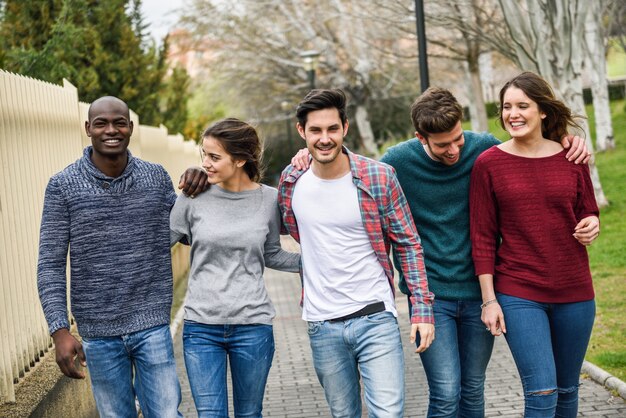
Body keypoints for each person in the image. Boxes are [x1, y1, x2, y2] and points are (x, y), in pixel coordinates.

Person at [291, 87, 591, 417]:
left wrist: (566, 141)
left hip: (479, 291)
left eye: (457, 139)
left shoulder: (484, 149)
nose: (454, 151)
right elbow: (353, 173)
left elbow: (527, 149)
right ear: (421, 137)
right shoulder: (397, 163)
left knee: (473, 389)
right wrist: (304, 158)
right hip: (434, 295)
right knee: (447, 391)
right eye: (442, 145)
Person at [37, 96, 207, 417]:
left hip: (152, 322)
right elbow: (50, 263)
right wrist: (59, 330)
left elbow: (187, 232)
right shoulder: (62, 186)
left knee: (167, 414)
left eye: (119, 122)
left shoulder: (155, 178)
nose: (110, 130)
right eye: (101, 123)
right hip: (98, 332)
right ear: (88, 128)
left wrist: (199, 184)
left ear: (131, 127)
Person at [278, 89, 435, 418]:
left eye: (332, 129)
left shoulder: (379, 177)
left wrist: (421, 310)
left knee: (388, 414)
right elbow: (275, 222)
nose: (325, 139)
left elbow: (408, 243)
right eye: (316, 131)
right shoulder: (291, 181)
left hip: (375, 316)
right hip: (322, 324)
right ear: (301, 131)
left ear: (345, 128)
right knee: (343, 414)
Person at [470, 71, 600, 417]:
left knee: (568, 391)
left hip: (575, 291)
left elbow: (588, 210)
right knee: (542, 392)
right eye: (506, 107)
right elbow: (482, 236)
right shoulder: (489, 164)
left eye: (522, 105)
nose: (512, 113)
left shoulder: (571, 157)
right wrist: (489, 300)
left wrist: (592, 224)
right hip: (519, 291)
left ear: (543, 110)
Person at [169, 118, 300, 417]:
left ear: (240, 159)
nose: (206, 164)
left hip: (253, 326)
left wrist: (316, 264)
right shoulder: (192, 197)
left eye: (214, 157)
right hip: (201, 327)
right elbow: (157, 244)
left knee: (249, 413)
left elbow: (272, 254)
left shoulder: (269, 199)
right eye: (203, 155)